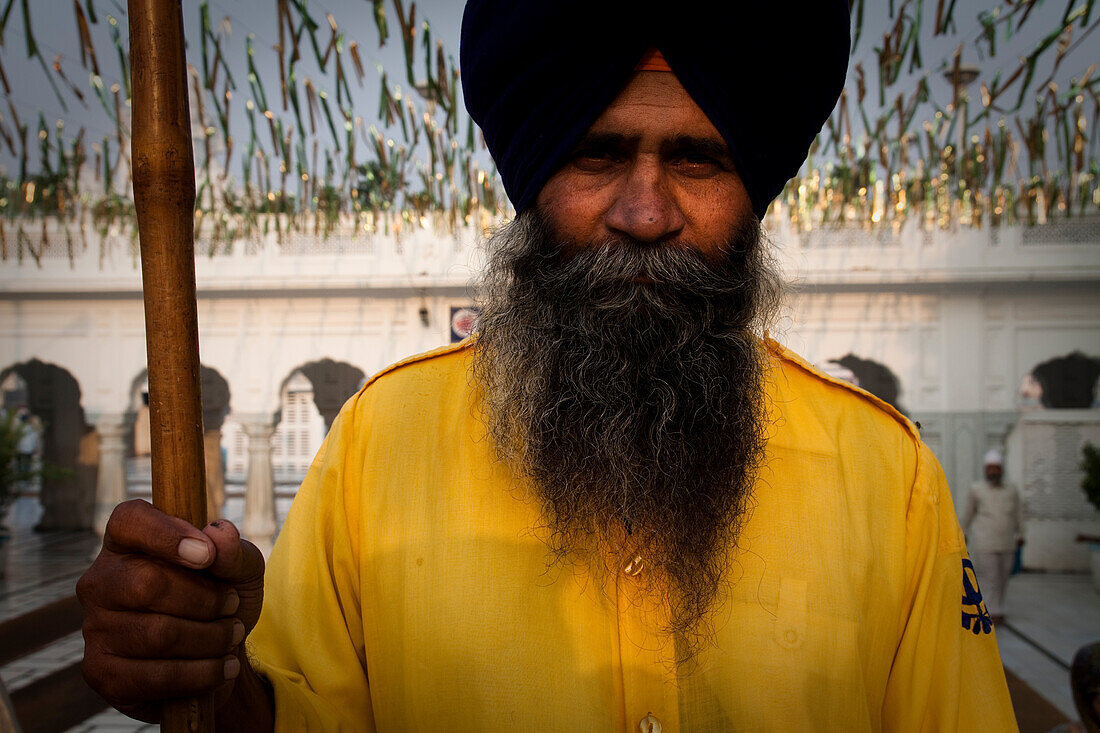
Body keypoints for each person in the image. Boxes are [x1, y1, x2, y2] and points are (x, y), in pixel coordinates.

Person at [76, 2, 1019, 730]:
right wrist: (206, 669)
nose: (644, 211)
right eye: (598, 153)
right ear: (531, 179)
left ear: (755, 186)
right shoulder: (381, 443)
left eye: (697, 160)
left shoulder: (883, 473)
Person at [961, 449, 1025, 625]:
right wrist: (962, 532)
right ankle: (992, 611)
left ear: (1001, 469)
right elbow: (968, 514)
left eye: (996, 468)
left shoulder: (1011, 490)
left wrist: (1021, 534)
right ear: (985, 469)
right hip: (985, 542)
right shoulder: (976, 489)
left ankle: (997, 607)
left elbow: (1019, 513)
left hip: (1007, 542)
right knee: (992, 578)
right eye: (990, 468)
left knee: (1003, 577)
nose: (993, 471)